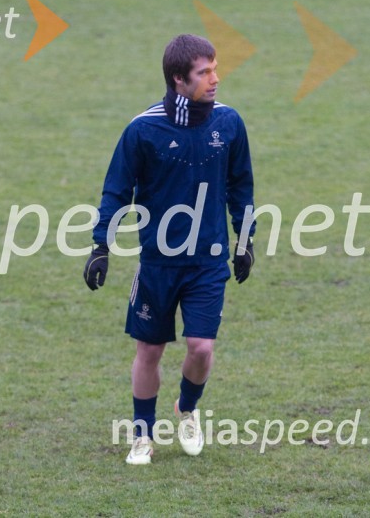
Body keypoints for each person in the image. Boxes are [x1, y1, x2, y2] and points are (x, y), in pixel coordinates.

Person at [84, 34, 256, 465]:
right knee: (150, 351)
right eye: (204, 72)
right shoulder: (143, 130)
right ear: (179, 79)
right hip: (158, 263)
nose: (215, 79)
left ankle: (187, 409)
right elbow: (116, 191)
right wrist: (100, 245)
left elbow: (241, 187)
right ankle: (142, 436)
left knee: (201, 347)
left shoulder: (229, 124)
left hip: (207, 261)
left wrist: (245, 240)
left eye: (215, 68)